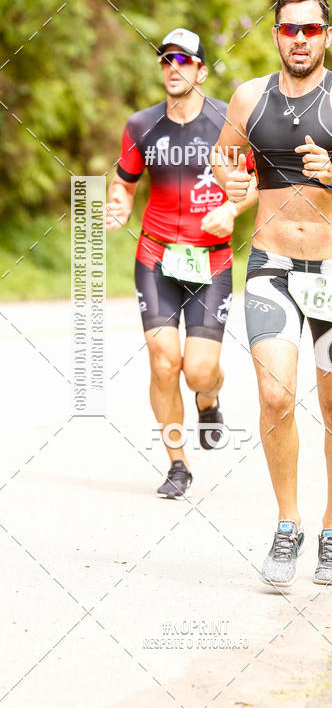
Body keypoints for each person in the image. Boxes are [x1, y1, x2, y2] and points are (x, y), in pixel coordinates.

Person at [211, 0, 332, 587]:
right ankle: (287, 523)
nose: (300, 39)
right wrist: (234, 186)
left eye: (311, 30)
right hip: (271, 266)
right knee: (274, 399)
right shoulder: (248, 97)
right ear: (275, 34)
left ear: (328, 36)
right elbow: (225, 158)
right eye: (289, 29)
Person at [106, 27, 257, 498]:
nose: (174, 68)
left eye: (184, 61)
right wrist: (118, 202)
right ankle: (177, 463)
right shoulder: (140, 126)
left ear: (201, 70)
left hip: (210, 263)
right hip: (156, 256)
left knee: (197, 371)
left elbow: (253, 185)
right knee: (163, 360)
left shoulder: (226, 124)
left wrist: (230, 210)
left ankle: (208, 400)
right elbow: (125, 182)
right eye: (167, 60)